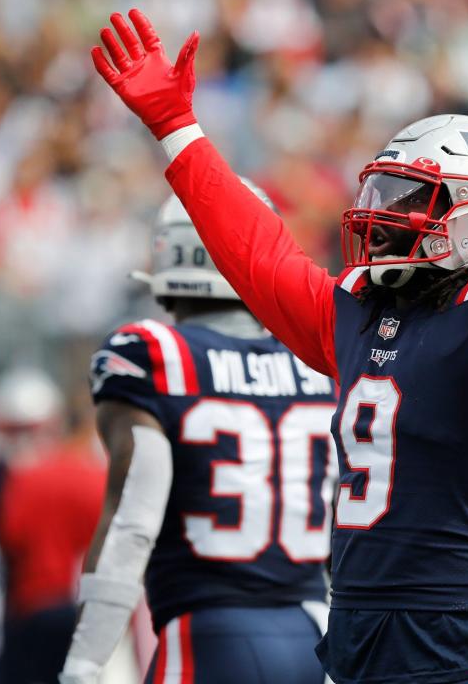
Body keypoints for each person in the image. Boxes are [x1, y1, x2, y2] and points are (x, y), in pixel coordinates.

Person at [89, 1, 468, 684]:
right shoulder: (358, 315)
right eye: (388, 190)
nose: (384, 211)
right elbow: (257, 255)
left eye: (413, 198)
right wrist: (176, 128)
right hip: (362, 645)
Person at [59, 186, 338, 684]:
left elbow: (133, 517)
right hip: (313, 641)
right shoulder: (321, 362)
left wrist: (83, 665)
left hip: (204, 638)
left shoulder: (152, 352)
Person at [0, 368, 106, 684]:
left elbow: (10, 535)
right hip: (83, 607)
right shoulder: (89, 472)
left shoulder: (21, 479)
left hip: (33, 604)